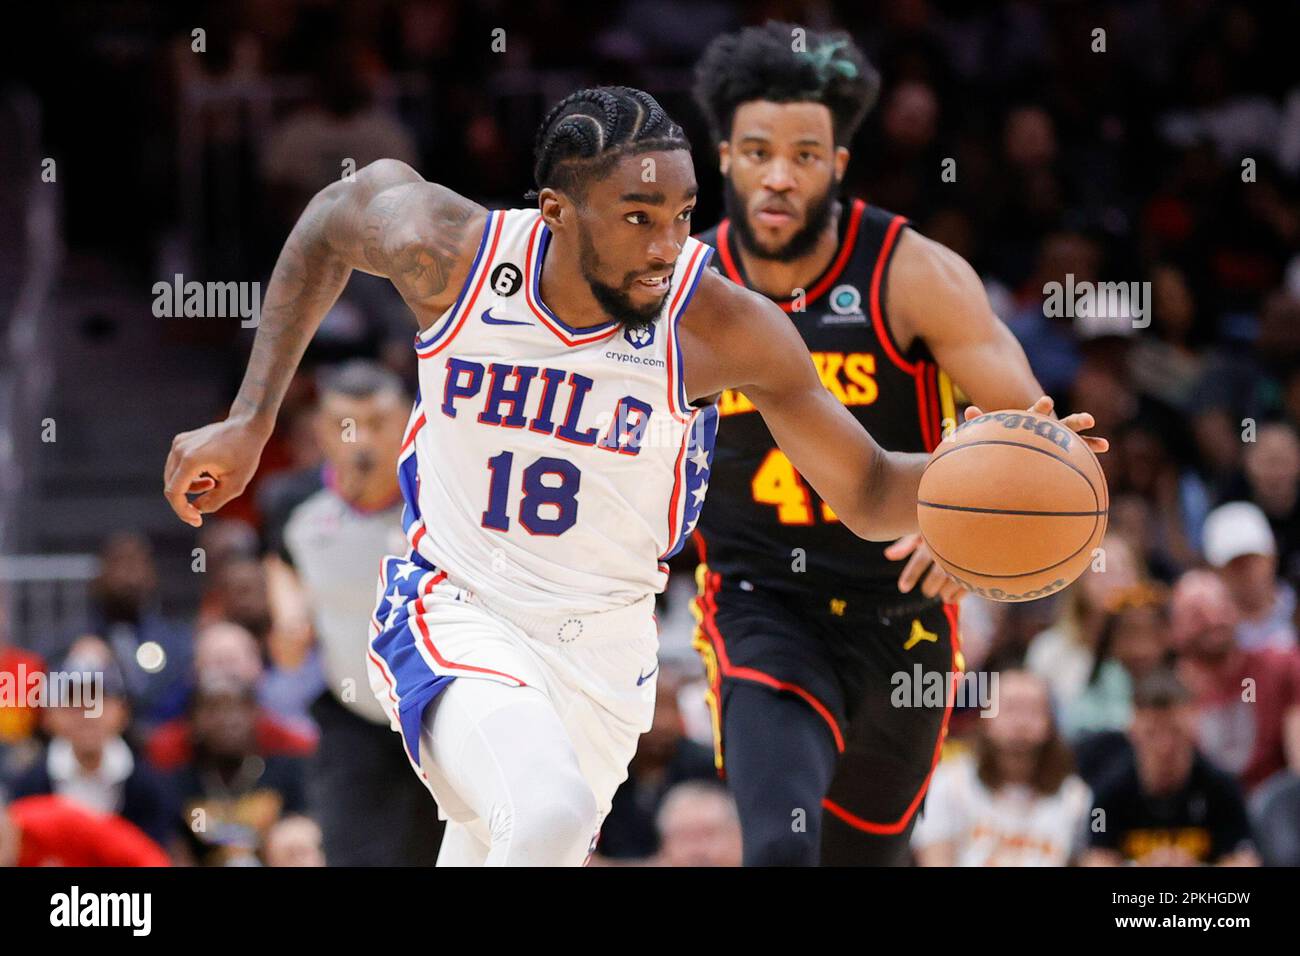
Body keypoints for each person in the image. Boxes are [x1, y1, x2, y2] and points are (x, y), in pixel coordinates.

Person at [163, 85, 1101, 867]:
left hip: (608, 656)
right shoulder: (452, 253)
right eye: (640, 218)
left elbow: (864, 490)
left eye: (684, 215)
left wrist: (975, 489)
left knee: (502, 838)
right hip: (457, 606)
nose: (667, 243)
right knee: (547, 815)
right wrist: (252, 419)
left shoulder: (721, 322)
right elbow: (335, 215)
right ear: (559, 212)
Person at [688, 23, 1083, 865]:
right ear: (725, 159)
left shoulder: (913, 274)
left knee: (862, 857)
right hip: (762, 600)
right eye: (757, 151)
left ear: (838, 164)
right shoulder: (689, 287)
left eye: (805, 153)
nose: (780, 175)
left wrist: (969, 539)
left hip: (902, 613)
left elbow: (1036, 432)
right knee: (781, 849)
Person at [261, 359, 445, 865]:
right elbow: (280, 556)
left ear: (409, 422)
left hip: (444, 712)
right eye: (347, 425)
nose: (362, 441)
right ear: (322, 430)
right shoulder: (290, 502)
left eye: (379, 424)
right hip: (353, 716)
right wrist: (287, 610)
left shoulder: (445, 500)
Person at [912, 671, 1092, 867]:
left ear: (1051, 723)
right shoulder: (948, 784)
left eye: (1033, 710)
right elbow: (935, 860)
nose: (1021, 723)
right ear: (985, 715)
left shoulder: (1075, 797)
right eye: (1010, 708)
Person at [1085, 668, 1259, 866]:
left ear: (1194, 727)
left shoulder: (1223, 789)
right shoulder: (1108, 795)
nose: (1165, 747)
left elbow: (1244, 860)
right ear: (1133, 731)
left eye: (1175, 732)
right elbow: (1096, 858)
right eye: (1152, 733)